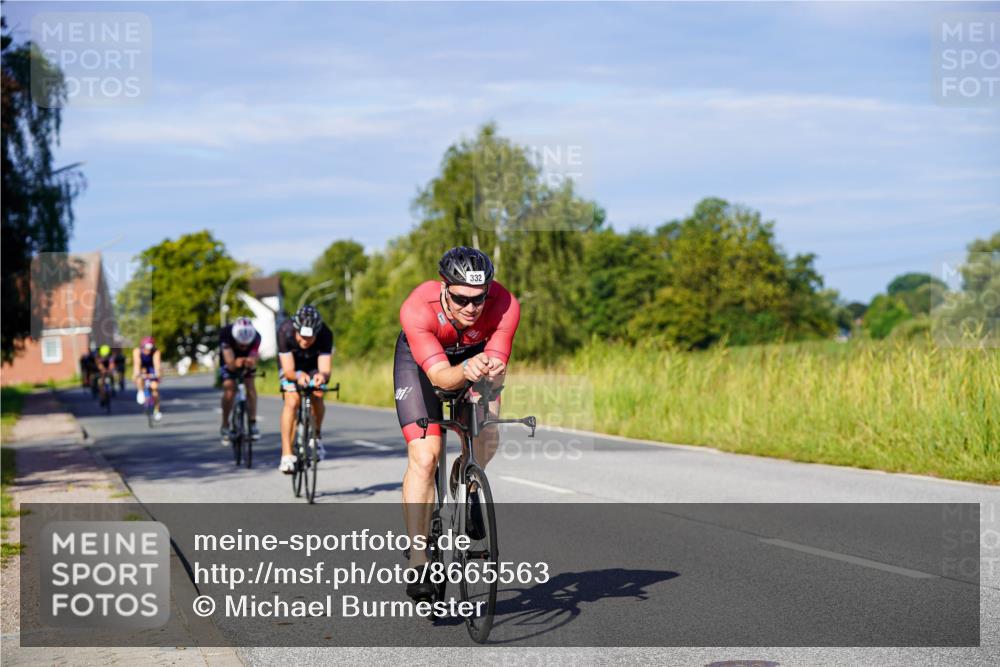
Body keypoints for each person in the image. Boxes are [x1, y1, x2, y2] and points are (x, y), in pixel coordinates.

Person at [394, 246, 519, 600]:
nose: (471, 308)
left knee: (487, 435)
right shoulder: (418, 308)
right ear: (444, 287)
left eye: (479, 299)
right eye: (461, 299)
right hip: (423, 368)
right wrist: (465, 369)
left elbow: (496, 372)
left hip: (473, 360)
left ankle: (467, 480)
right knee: (425, 456)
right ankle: (419, 559)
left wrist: (491, 374)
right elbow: (440, 378)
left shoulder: (505, 304)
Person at [277, 305, 333, 474]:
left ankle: (316, 437)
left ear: (317, 333)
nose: (305, 341)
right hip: (292, 366)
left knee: (318, 393)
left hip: (313, 365)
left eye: (310, 338)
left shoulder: (325, 334)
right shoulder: (285, 331)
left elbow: (325, 369)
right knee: (292, 400)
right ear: (296, 330)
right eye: (302, 337)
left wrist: (322, 376)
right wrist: (297, 376)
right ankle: (287, 455)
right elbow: (288, 371)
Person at [219, 317, 262, 445]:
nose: (243, 347)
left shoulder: (256, 337)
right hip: (229, 357)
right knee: (229, 388)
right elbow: (229, 363)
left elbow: (254, 358)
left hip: (247, 358)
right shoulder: (225, 334)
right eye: (241, 344)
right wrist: (234, 363)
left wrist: (250, 362)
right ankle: (225, 425)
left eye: (246, 345)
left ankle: (253, 423)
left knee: (250, 387)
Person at [133, 336, 162, 421]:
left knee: (155, 388)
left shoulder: (156, 352)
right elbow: (137, 363)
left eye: (150, 348)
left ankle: (157, 410)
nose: (148, 350)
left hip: (151, 368)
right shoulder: (137, 351)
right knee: (138, 378)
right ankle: (140, 391)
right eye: (146, 348)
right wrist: (137, 373)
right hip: (142, 367)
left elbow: (157, 364)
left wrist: (157, 373)